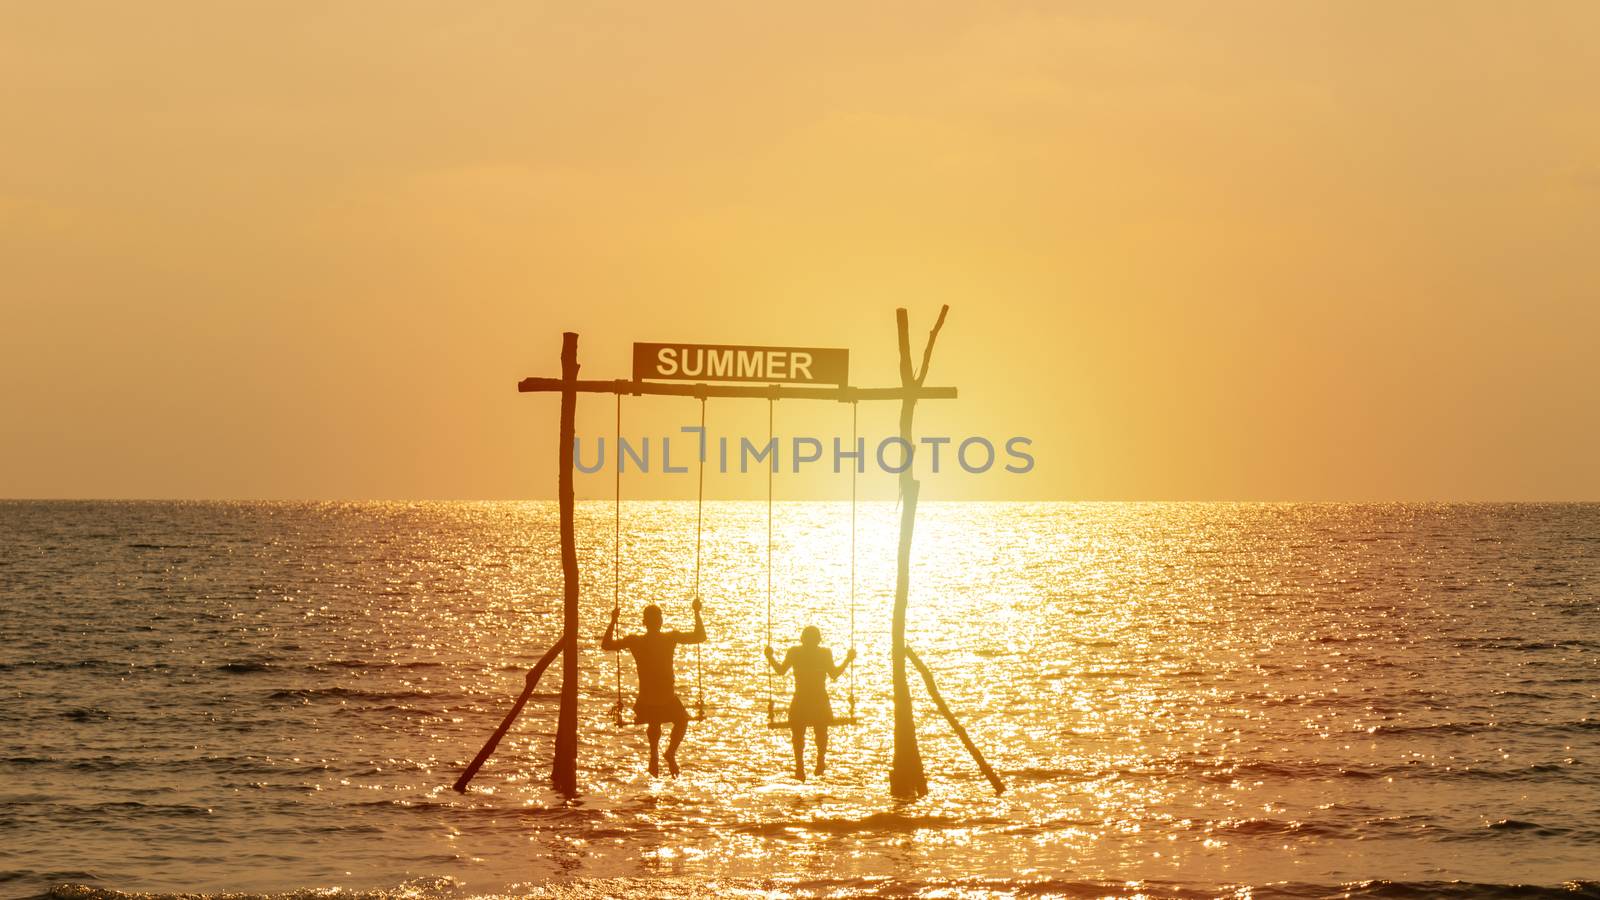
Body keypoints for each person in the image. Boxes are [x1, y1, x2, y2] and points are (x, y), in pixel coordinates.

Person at [602, 599, 705, 777]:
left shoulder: (635, 641)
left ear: (645, 622)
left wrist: (613, 621)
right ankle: (669, 753)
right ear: (660, 621)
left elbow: (607, 645)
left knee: (654, 721)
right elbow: (700, 636)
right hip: (665, 699)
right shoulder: (669, 638)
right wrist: (696, 612)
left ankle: (655, 755)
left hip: (647, 701)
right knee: (681, 720)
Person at [765, 626, 854, 781]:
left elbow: (780, 671)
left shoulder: (795, 652)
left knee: (800, 734)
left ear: (802, 639)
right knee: (819, 731)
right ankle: (817, 760)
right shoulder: (823, 653)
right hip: (818, 699)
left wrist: (770, 657)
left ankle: (802, 765)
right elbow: (834, 674)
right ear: (818, 640)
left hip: (803, 699)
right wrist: (848, 659)